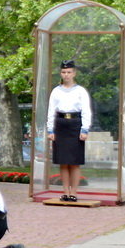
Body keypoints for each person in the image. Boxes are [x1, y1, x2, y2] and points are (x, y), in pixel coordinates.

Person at [47, 60, 91, 203]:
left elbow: (86, 110)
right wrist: (50, 129)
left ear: (74, 73)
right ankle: (65, 192)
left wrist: (85, 129)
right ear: (61, 73)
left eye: (69, 72)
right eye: (64, 72)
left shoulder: (80, 91)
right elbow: (51, 111)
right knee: (63, 161)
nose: (66, 75)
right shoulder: (56, 91)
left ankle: (74, 192)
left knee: (75, 161)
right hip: (60, 125)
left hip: (75, 124)